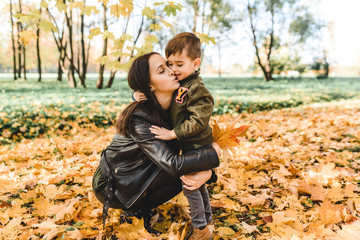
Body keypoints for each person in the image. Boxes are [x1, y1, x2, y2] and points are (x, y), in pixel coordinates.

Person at [92, 52, 220, 235]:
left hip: (144, 170)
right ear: (149, 86)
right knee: (180, 171)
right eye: (162, 70)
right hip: (114, 183)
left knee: (187, 169)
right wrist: (213, 156)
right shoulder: (140, 118)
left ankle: (140, 207)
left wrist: (207, 172)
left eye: (169, 65)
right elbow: (173, 164)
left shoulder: (177, 105)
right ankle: (133, 208)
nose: (172, 71)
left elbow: (196, 142)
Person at [136, 32, 216, 240]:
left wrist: (173, 133)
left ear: (196, 63)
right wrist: (141, 93)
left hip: (197, 145)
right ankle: (207, 220)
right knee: (198, 185)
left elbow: (198, 121)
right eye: (170, 64)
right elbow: (160, 92)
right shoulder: (181, 85)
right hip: (190, 146)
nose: (173, 70)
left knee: (190, 186)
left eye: (179, 64)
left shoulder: (197, 90)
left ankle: (200, 229)